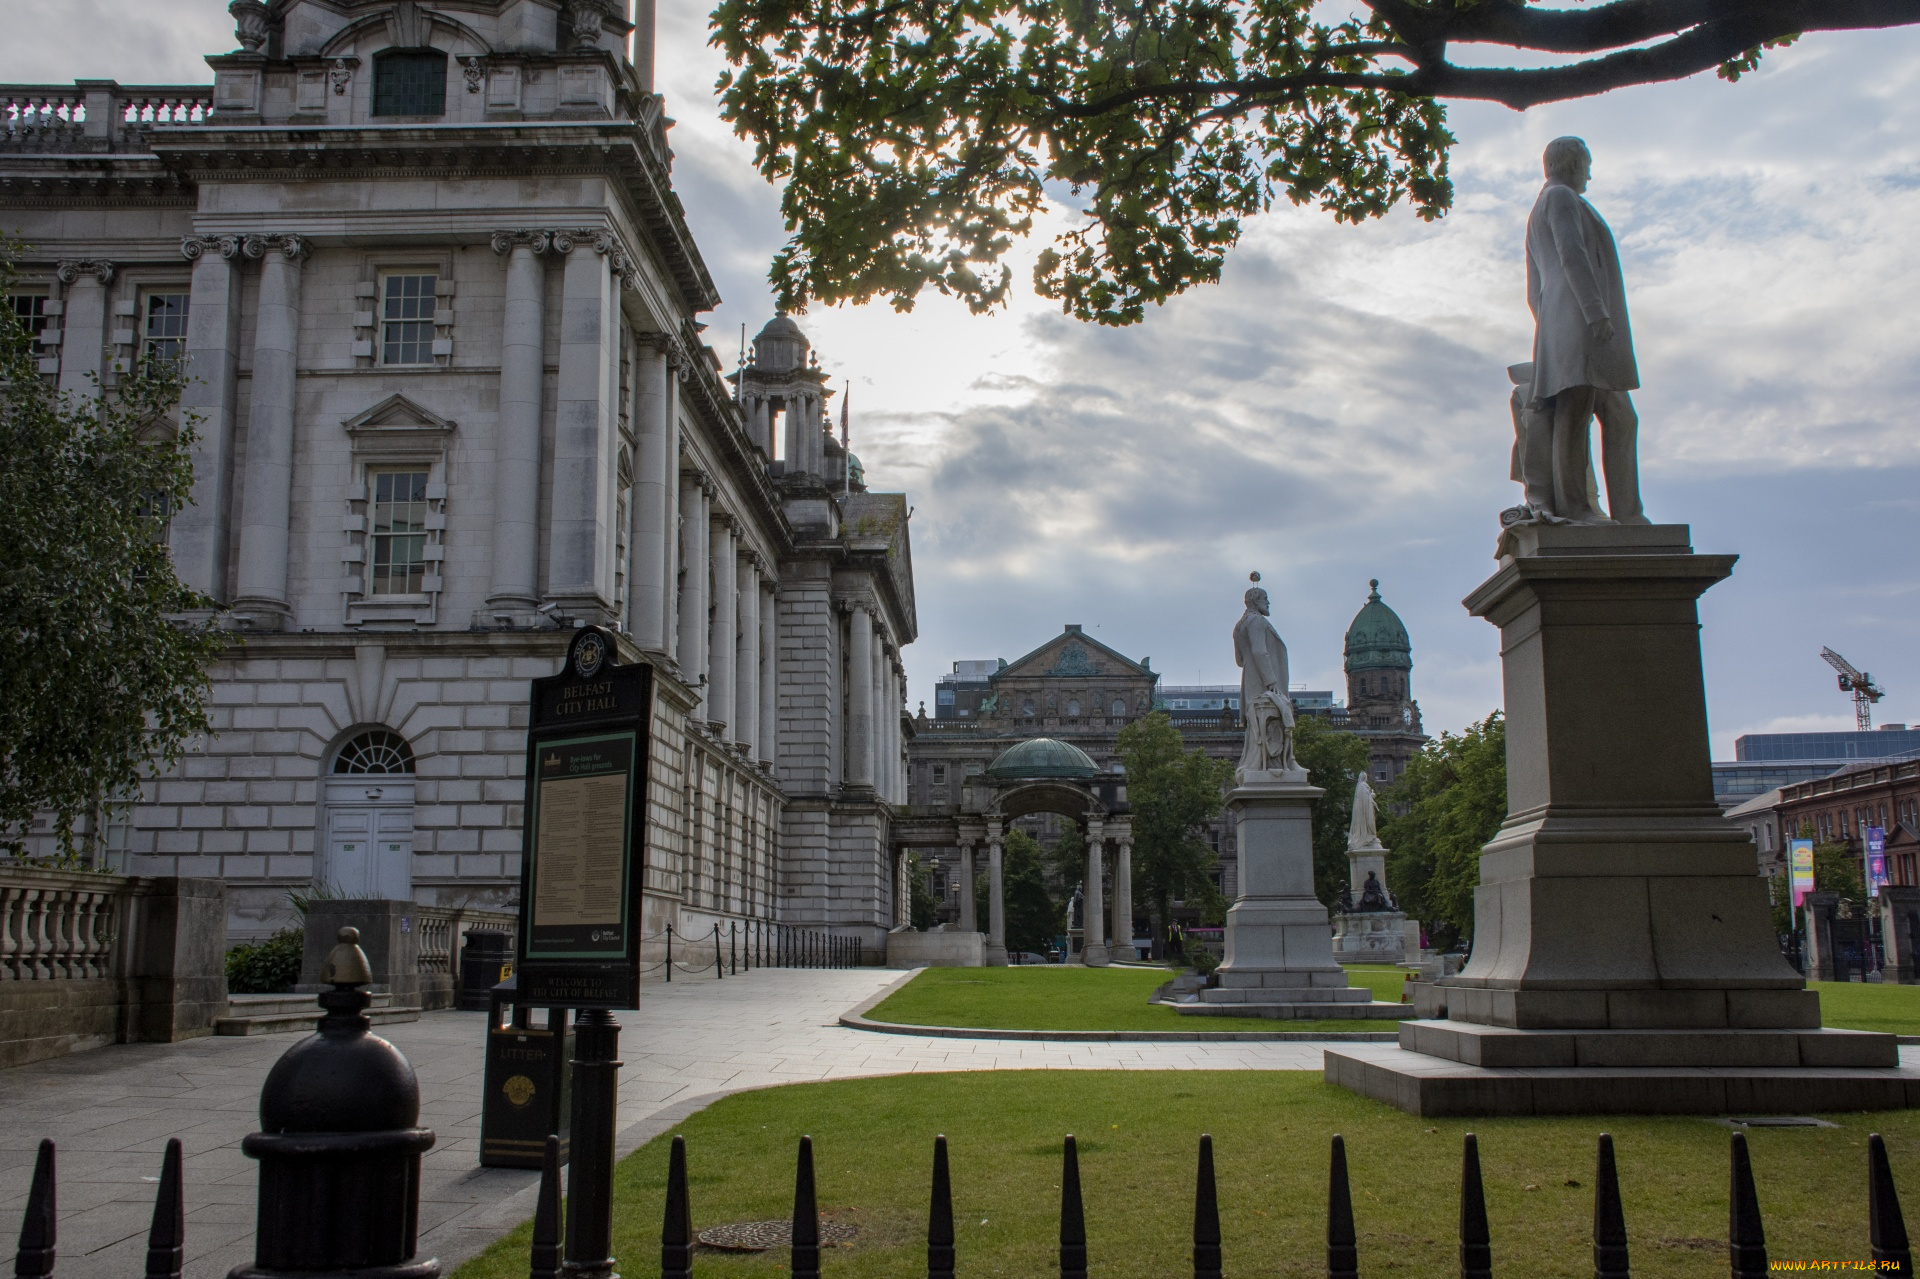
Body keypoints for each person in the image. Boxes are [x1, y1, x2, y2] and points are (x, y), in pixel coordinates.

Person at [1520, 136, 1649, 526]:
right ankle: (1577, 508)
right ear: (1573, 163)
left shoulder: (1545, 205)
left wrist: (1550, 328)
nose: (1590, 173)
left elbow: (1532, 289)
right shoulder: (1560, 197)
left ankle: (1629, 513)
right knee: (1576, 412)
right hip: (1578, 318)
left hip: (1564, 320)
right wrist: (1594, 313)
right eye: (1587, 164)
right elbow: (1572, 253)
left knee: (1620, 414)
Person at [1232, 574, 1299, 778]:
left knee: (1256, 726)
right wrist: (1271, 682)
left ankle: (1263, 763)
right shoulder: (1256, 621)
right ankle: (1279, 763)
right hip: (1265, 682)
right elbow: (1259, 652)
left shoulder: (1239, 625)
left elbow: (1239, 659)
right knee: (1273, 720)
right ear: (1255, 600)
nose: (1268, 602)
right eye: (1265, 598)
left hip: (1251, 680)